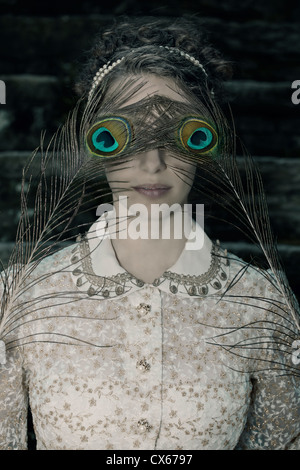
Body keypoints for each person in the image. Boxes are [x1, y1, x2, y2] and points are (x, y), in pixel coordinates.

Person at [0, 16, 299, 450]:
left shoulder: (262, 301)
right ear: (95, 137)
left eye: (181, 133)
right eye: (125, 133)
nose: (153, 163)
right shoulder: (22, 299)